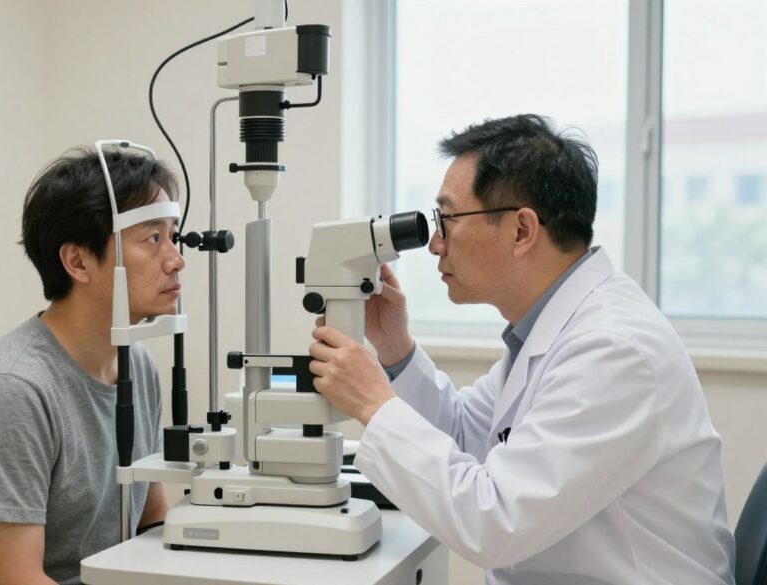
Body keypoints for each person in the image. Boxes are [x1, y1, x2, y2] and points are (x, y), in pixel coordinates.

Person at [308, 114, 735, 584]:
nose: (435, 244)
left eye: (447, 219)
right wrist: (395, 348)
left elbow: (493, 522)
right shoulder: (551, 329)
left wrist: (374, 404)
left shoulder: (612, 350)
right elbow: (466, 434)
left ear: (521, 231)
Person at [0, 147, 184, 585]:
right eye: (152, 239)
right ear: (78, 262)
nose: (176, 259)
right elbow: (12, 580)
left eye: (173, 236)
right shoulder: (12, 391)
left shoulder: (137, 363)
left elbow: (151, 520)